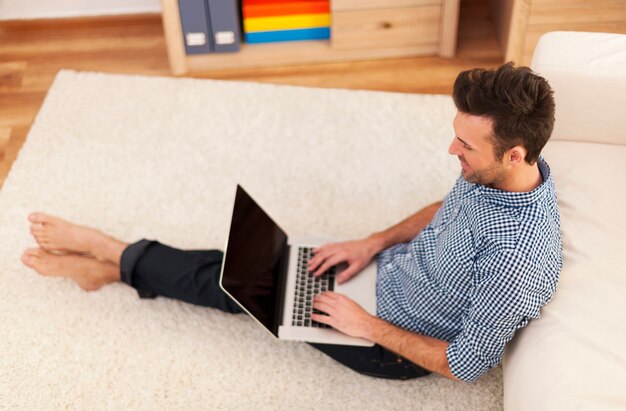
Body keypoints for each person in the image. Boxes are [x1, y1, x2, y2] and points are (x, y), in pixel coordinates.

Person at [21, 62, 562, 383]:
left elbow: (467, 364)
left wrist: (362, 326)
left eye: (465, 145)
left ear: (514, 154)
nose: (451, 150)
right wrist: (373, 242)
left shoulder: (516, 260)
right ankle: (117, 266)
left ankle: (114, 259)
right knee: (257, 268)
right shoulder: (499, 175)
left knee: (242, 281)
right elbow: (448, 208)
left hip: (389, 342)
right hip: (387, 274)